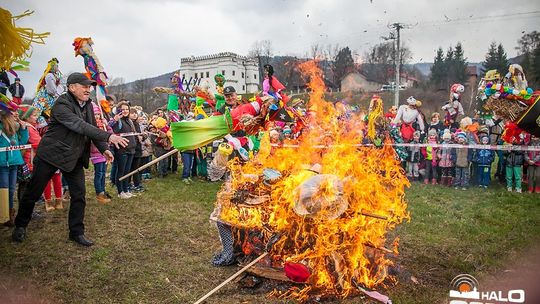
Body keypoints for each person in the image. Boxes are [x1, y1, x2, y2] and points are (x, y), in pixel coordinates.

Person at [12, 72, 128, 246]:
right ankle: (20, 225)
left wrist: (104, 149)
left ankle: (76, 232)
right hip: (50, 155)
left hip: (74, 157)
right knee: (32, 193)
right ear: (72, 87)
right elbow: (79, 125)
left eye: (89, 87)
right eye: (84, 86)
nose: (88, 90)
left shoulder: (88, 104)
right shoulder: (61, 104)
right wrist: (109, 137)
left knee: (79, 195)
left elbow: (91, 128)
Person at [1, 100, 28, 227]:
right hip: (3, 163)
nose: (17, 115)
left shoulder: (15, 128)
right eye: (14, 113)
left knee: (11, 190)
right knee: (3, 190)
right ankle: (3, 215)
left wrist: (23, 130)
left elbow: (22, 142)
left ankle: (10, 214)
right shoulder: (2, 127)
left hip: (14, 162)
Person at [111, 101, 137, 199]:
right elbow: (115, 132)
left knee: (127, 171)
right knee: (121, 171)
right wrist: (115, 121)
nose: (125, 111)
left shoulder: (129, 121)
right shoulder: (118, 120)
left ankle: (126, 189)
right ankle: (120, 191)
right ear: (119, 110)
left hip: (131, 149)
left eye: (127, 109)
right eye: (123, 109)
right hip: (122, 150)